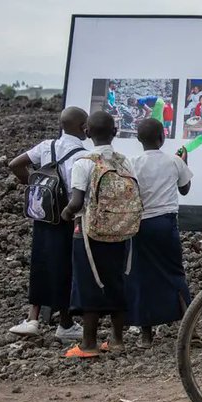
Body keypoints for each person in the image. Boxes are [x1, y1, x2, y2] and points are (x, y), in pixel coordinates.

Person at [6, 107, 88, 341]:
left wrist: (32, 186)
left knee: (40, 262)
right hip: (67, 218)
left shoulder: (46, 146)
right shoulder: (81, 155)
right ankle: (65, 323)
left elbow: (15, 164)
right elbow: (77, 192)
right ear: (84, 128)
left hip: (43, 215)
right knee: (65, 267)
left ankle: (32, 318)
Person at [61, 111, 134, 358]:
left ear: (87, 132)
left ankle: (88, 344)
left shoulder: (84, 162)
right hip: (122, 230)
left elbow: (77, 201)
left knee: (89, 284)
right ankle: (116, 340)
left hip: (90, 234)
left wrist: (66, 214)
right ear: (115, 132)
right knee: (116, 281)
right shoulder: (125, 161)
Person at [127, 118, 193, 348]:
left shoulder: (133, 163)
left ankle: (146, 336)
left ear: (138, 139)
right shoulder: (174, 161)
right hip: (166, 224)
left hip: (141, 225)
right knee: (175, 273)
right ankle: (191, 331)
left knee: (142, 276)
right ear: (163, 137)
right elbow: (184, 189)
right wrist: (185, 161)